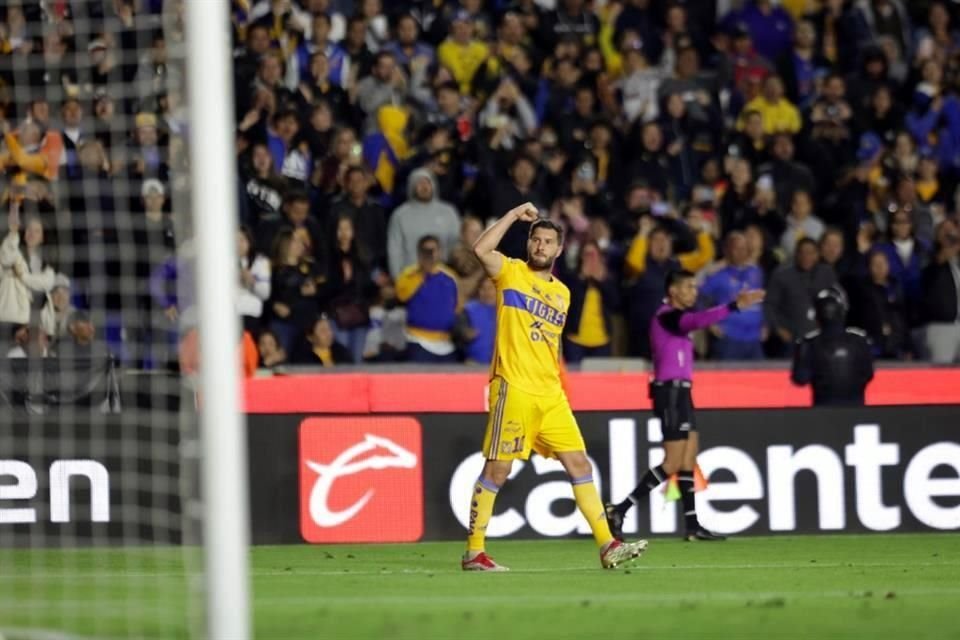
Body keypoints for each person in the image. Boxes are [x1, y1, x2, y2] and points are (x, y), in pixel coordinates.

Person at [462, 202, 648, 572]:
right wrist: (514, 215)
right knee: (498, 470)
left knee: (578, 462)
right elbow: (481, 250)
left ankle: (607, 545)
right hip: (514, 387)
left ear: (560, 250)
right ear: (529, 243)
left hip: (551, 395)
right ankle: (474, 553)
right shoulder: (510, 272)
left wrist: (563, 388)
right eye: (537, 240)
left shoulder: (563, 294)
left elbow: (553, 346)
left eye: (549, 242)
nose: (541, 247)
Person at [606, 270, 765, 542]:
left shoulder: (677, 320)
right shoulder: (666, 316)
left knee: (688, 459)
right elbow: (696, 321)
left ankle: (692, 526)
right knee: (673, 462)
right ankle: (620, 509)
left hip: (683, 393)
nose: (694, 291)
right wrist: (732, 306)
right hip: (668, 394)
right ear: (674, 291)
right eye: (689, 286)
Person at [791, 287, 874, 405]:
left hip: (824, 413)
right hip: (856, 410)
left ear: (817, 316)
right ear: (842, 312)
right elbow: (868, 374)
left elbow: (800, 379)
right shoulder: (860, 340)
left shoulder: (808, 343)